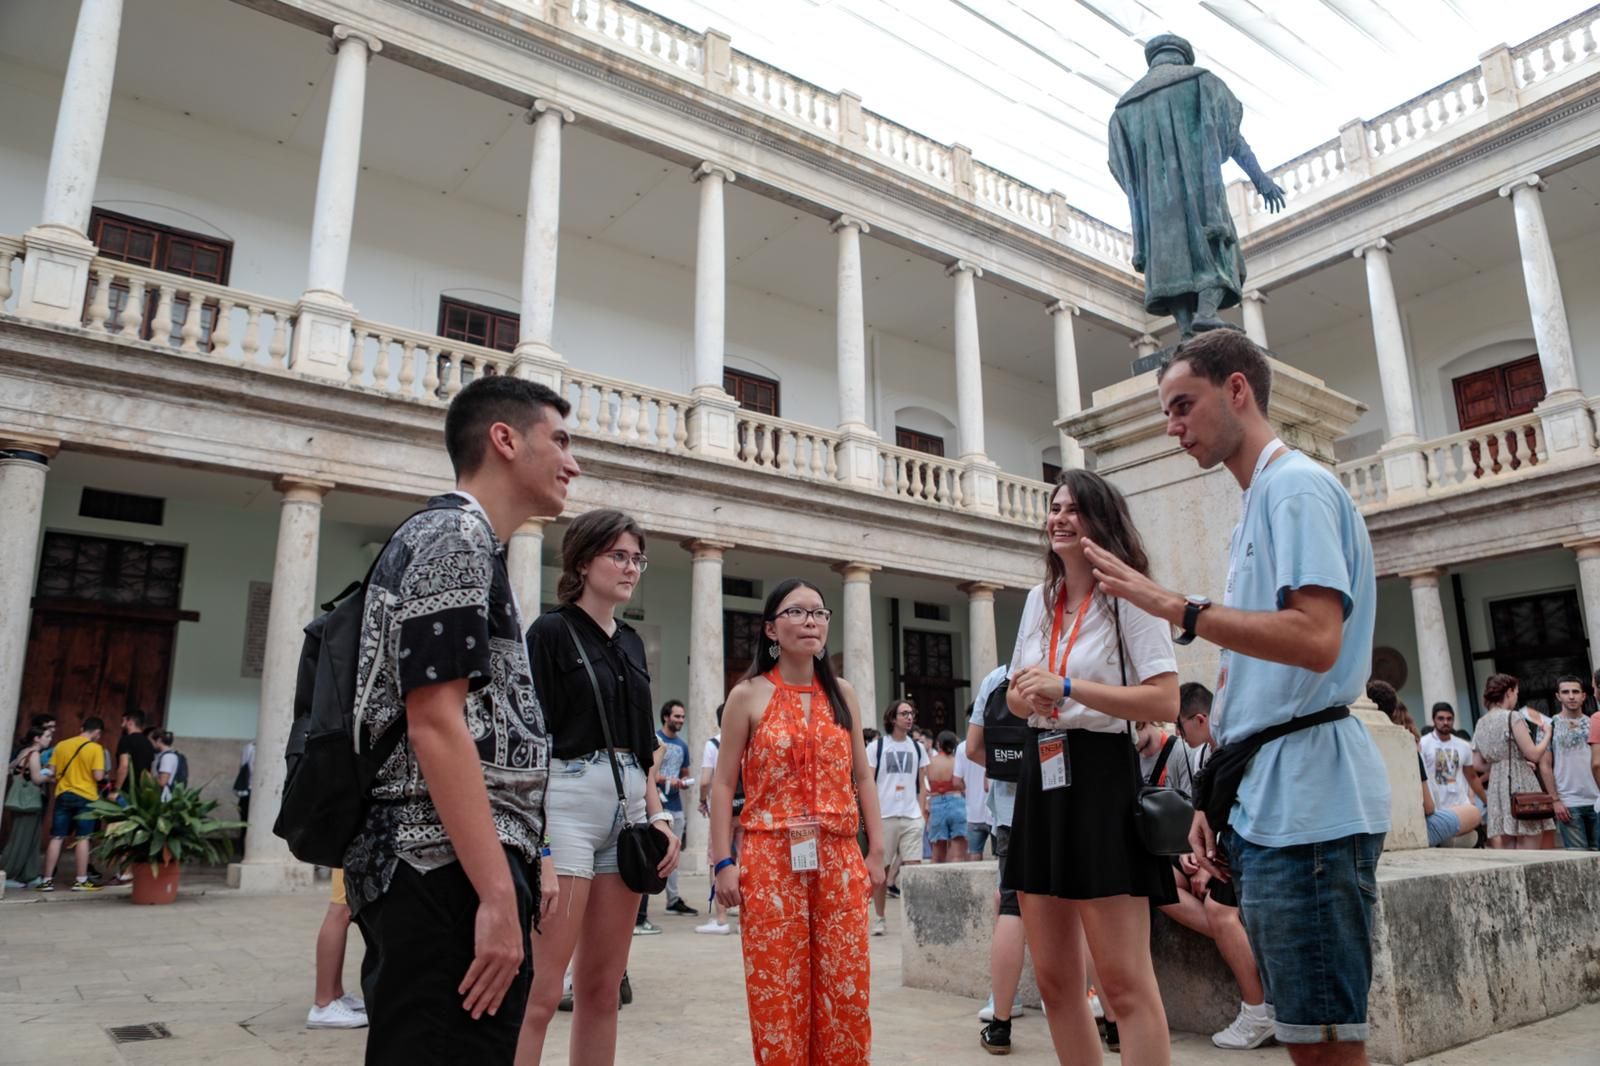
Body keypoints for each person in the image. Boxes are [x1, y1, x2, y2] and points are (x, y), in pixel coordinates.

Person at [1087, 330, 1391, 1064]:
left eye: (1182, 405)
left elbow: (1317, 637)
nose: (1173, 426)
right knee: (1304, 1036)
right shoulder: (1257, 504)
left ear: (1238, 390)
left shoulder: (1296, 489)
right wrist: (1214, 803)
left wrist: (1178, 609)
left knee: (1323, 1044)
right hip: (1273, 797)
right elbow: (1259, 681)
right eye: (1166, 412)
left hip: (1312, 806)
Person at [341, 375, 574, 1065]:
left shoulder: (473, 543)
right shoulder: (452, 534)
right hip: (437, 865)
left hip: (454, 864)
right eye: (559, 440)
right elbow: (435, 723)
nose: (573, 461)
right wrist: (498, 896)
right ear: (505, 440)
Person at [1004, 467, 1180, 1066]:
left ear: (1100, 520)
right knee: (1054, 981)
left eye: (1073, 509)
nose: (1058, 518)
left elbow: (1164, 700)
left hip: (1102, 776)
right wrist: (1032, 695)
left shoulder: (1129, 594)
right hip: (1041, 772)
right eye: (1054, 507)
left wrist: (1071, 686)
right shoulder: (1039, 599)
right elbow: (1010, 694)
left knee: (1124, 983)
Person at [518, 508, 681, 1066]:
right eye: (619, 555)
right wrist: (537, 846)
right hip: (565, 802)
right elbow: (529, 742)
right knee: (540, 991)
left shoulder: (632, 643)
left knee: (602, 989)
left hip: (629, 807)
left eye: (637, 557)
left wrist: (658, 815)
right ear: (583, 561)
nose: (631, 567)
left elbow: (642, 744)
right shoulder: (549, 633)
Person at [711, 578, 883, 1065]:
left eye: (819, 613)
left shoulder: (842, 693)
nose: (811, 621)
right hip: (770, 859)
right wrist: (723, 859)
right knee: (778, 990)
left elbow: (862, 777)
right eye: (797, 612)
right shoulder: (747, 695)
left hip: (838, 853)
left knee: (845, 987)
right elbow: (724, 785)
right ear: (771, 628)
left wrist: (876, 852)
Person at [1107, 33, 1285, 340]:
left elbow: (1118, 165)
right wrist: (1260, 178)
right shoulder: (1201, 82)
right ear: (1183, 56)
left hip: (1157, 207)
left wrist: (1154, 194)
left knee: (1168, 262)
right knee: (1220, 250)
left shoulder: (1123, 109)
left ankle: (1187, 327)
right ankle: (1206, 313)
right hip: (1201, 194)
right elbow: (1231, 137)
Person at [1164, 683, 1274, 1051]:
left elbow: (1238, 814)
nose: (1179, 735)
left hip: (1244, 844)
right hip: (1216, 849)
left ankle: (1257, 1010)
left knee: (1219, 909)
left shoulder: (1231, 746)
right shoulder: (1199, 752)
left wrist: (1208, 867)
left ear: (1200, 719)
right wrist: (1190, 858)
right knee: (1159, 882)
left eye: (1181, 726)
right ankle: (1241, 946)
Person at [964, 664, 1027, 1055]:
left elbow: (973, 748)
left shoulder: (997, 678)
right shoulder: (1069, 666)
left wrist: (1007, 766)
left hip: (1011, 814)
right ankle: (1104, 1015)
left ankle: (1001, 1020)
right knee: (1081, 908)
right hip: (1067, 809)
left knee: (1011, 906)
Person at [1472, 673, 1559, 850]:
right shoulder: (1512, 717)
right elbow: (1533, 754)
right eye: (1516, 693)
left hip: (1497, 787)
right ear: (1509, 692)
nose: (1516, 697)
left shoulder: (1481, 722)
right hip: (1520, 782)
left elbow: (1477, 764)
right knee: (1530, 837)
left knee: (1508, 845)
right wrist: (1547, 734)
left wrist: (1501, 764)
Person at [867, 699, 925, 935]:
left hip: (911, 816)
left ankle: (914, 920)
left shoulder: (918, 748)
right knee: (881, 872)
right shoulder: (877, 748)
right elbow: (867, 783)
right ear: (892, 718)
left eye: (911, 713)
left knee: (914, 869)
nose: (909, 717)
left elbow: (923, 784)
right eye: (904, 714)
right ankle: (879, 918)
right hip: (885, 816)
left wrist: (921, 815)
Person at [41, 716, 109, 892]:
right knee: (83, 838)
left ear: (82, 728)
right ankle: (80, 880)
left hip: (63, 794)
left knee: (57, 837)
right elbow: (98, 776)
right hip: (86, 796)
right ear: (97, 732)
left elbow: (51, 771)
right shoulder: (96, 748)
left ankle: (47, 880)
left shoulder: (62, 745)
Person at [697, 702, 740, 935]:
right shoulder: (748, 739)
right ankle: (746, 919)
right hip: (745, 809)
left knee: (717, 860)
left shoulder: (713, 744)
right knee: (747, 862)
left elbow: (705, 780)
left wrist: (703, 800)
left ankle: (721, 918)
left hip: (721, 812)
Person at [307, 870, 369, 1029]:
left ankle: (334, 994)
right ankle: (324, 1005)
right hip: (352, 847)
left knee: (342, 909)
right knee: (341, 910)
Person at [655, 699, 698, 917]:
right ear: (666, 717)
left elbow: (685, 772)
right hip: (655, 805)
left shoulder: (682, 746)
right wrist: (665, 780)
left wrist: (684, 781)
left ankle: (673, 899)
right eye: (677, 716)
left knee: (674, 854)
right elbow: (649, 771)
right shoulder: (655, 739)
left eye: (682, 717)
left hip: (675, 805)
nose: (680, 720)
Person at [2, 722, 55, 888]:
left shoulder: (24, 752)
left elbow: (11, 769)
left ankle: (27, 874)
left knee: (28, 838)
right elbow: (37, 778)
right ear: (37, 738)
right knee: (22, 839)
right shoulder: (34, 754)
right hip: (29, 801)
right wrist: (50, 774)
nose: (50, 739)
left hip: (22, 801)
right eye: (47, 736)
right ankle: (9, 873)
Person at [1548, 676, 1597, 850]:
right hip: (1568, 803)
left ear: (1584, 696)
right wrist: (1555, 800)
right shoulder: (1549, 725)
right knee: (1579, 861)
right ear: (1558, 696)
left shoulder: (1594, 723)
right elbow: (1545, 765)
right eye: (1565, 692)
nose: (1571, 696)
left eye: (1575, 692)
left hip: (1597, 800)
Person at [1419, 703, 1483, 818]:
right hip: (1436, 810)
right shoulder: (1423, 744)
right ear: (1433, 720)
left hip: (1461, 806)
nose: (1445, 722)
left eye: (1449, 719)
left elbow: (1472, 777)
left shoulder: (1463, 745)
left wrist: (1486, 801)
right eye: (1441, 718)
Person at [924, 731, 968, 863]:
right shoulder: (956, 762)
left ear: (939, 744)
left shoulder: (930, 762)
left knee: (937, 852)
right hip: (956, 799)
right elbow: (961, 783)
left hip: (936, 801)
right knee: (958, 852)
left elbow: (924, 783)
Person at [955, 737, 991, 860]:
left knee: (974, 853)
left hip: (973, 812)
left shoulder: (962, 747)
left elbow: (956, 781)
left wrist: (967, 790)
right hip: (994, 811)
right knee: (1001, 854)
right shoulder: (993, 742)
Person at [112, 709, 156, 802]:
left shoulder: (126, 740)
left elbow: (124, 766)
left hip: (126, 792)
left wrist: (116, 790)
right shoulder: (148, 743)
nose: (121, 724)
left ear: (130, 722)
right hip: (141, 794)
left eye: (123, 721)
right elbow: (149, 771)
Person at [151, 731, 183, 801]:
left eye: (153, 741)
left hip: (165, 797)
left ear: (159, 740)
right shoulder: (172, 754)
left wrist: (149, 778)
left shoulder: (167, 757)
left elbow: (163, 782)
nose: (152, 744)